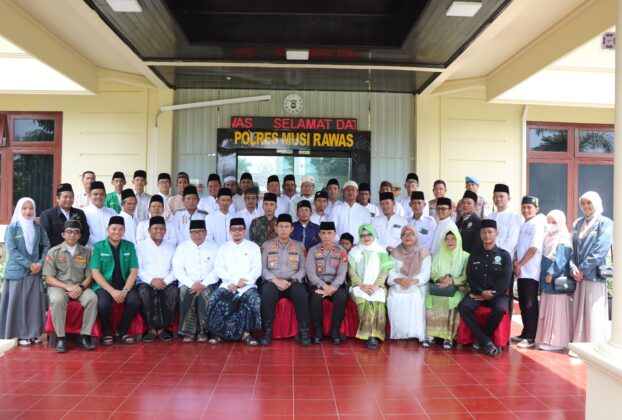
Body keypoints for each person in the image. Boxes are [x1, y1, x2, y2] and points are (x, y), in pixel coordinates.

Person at [457, 219, 512, 356]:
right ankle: (486, 341)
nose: (487, 235)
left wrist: (490, 294)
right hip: (478, 293)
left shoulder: (504, 256)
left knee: (500, 308)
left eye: (490, 232)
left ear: (496, 234)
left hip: (497, 295)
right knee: (463, 306)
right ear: (480, 234)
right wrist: (481, 292)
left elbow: (505, 279)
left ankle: (481, 339)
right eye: (483, 232)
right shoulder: (474, 255)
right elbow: (470, 277)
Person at [0, 198, 50, 346]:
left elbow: (47, 246)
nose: (28, 211)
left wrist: (40, 263)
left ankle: (32, 334)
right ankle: (20, 334)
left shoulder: (38, 228)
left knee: (32, 304)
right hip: (17, 271)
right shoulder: (12, 228)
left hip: (34, 271)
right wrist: (29, 265)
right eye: (24, 208)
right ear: (19, 210)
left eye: (31, 208)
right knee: (18, 304)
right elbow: (12, 250)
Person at [42, 220, 97, 352]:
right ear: (63, 234)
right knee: (57, 300)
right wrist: (68, 287)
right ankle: (61, 338)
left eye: (76, 232)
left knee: (92, 298)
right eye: (69, 232)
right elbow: (48, 278)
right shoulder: (53, 252)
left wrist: (80, 288)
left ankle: (84, 337)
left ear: (80, 235)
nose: (72, 235)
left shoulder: (87, 252)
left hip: (80, 287)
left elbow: (90, 275)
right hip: (59, 287)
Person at [207, 218, 263, 346]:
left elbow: (257, 270)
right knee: (215, 297)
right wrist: (234, 282)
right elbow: (219, 269)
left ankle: (247, 334)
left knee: (255, 299)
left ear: (244, 231)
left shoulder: (253, 247)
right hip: (228, 284)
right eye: (234, 229)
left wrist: (240, 284)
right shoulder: (223, 248)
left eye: (240, 229)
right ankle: (217, 334)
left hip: (247, 285)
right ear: (230, 231)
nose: (237, 232)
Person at [570, 191, 613, 347]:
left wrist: (582, 269)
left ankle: (594, 346)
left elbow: (600, 250)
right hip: (579, 277)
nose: (586, 206)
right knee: (578, 312)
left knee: (593, 313)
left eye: (589, 202)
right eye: (583, 203)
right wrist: (573, 269)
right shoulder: (577, 223)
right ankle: (579, 346)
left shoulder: (605, 223)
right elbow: (571, 248)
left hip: (594, 275)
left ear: (596, 203)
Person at [259, 214, 310, 346]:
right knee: (267, 295)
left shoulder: (299, 246)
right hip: (272, 281)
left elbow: (303, 268)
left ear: (292, 229)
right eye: (280, 226)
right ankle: (266, 333)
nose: (283, 229)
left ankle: (304, 332)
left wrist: (292, 280)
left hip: (292, 282)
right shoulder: (267, 245)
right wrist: (274, 280)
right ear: (275, 228)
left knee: (302, 295)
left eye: (286, 227)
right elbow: (262, 268)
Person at [90, 216, 140, 345]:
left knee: (135, 301)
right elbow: (95, 272)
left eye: (120, 229)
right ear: (107, 230)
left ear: (124, 231)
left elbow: (134, 270)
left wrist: (125, 290)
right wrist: (112, 291)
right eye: (114, 229)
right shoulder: (98, 247)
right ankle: (107, 332)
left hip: (124, 284)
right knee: (103, 304)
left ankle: (122, 331)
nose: (117, 232)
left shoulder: (129, 246)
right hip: (104, 286)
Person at [172, 219, 219, 343]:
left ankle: (203, 331)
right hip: (188, 282)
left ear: (206, 232)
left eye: (200, 231)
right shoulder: (182, 247)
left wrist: (203, 284)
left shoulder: (214, 247)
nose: (197, 235)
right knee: (186, 293)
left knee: (205, 294)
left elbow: (217, 268)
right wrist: (191, 284)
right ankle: (188, 332)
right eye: (193, 232)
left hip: (208, 282)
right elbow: (178, 269)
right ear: (189, 233)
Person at [349, 224, 393, 350]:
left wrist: (376, 285)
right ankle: (368, 335)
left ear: (374, 235)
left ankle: (375, 335)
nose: (366, 238)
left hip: (377, 286)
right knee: (363, 301)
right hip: (359, 286)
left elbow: (385, 271)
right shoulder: (354, 251)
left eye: (369, 234)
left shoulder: (381, 251)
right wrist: (361, 285)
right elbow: (351, 272)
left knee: (377, 301)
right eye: (363, 235)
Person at [423, 227, 469, 349]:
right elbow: (432, 273)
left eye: (453, 238)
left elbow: (465, 277)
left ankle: (448, 337)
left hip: (459, 287)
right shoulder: (438, 255)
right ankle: (431, 335)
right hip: (440, 284)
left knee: (453, 299)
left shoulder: (465, 256)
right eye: (447, 239)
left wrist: (452, 281)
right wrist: (440, 279)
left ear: (458, 240)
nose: (450, 241)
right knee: (430, 296)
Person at [136, 216, 178, 343]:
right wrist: (151, 281)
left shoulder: (171, 246)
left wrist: (166, 281)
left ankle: (163, 328)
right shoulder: (140, 246)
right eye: (155, 228)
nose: (159, 231)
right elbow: (138, 269)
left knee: (173, 292)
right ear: (149, 230)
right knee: (144, 292)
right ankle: (151, 328)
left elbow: (175, 268)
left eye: (162, 228)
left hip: (167, 281)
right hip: (146, 281)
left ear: (165, 231)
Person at [535, 210, 573, 352]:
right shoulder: (547, 236)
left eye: (554, 222)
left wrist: (552, 272)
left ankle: (557, 341)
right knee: (547, 308)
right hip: (546, 280)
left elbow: (561, 259)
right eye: (549, 221)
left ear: (561, 223)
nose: (550, 224)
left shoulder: (563, 238)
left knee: (556, 311)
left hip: (555, 280)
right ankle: (547, 339)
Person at [306, 221, 349, 344]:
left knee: (341, 298)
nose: (326, 236)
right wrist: (324, 286)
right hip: (318, 284)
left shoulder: (342, 251)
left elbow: (342, 274)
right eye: (323, 233)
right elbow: (310, 273)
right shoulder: (313, 251)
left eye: (329, 233)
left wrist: (332, 288)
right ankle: (318, 330)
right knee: (315, 298)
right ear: (319, 235)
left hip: (336, 285)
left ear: (335, 234)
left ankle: (335, 330)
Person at [386, 225, 431, 342]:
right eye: (404, 234)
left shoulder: (423, 252)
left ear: (416, 236)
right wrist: (400, 280)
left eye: (411, 234)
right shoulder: (395, 252)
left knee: (415, 295)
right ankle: (400, 332)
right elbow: (391, 270)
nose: (408, 237)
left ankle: (414, 332)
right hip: (399, 281)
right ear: (401, 237)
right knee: (393, 296)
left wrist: (413, 280)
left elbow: (426, 273)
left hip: (417, 283)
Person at [512, 195, 545, 349]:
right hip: (521, 270)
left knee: (530, 304)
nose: (526, 210)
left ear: (536, 209)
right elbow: (519, 246)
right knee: (523, 302)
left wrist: (520, 264)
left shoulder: (537, 224)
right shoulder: (523, 223)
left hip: (531, 270)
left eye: (529, 207)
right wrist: (516, 262)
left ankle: (531, 336)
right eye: (524, 207)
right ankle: (525, 332)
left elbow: (533, 248)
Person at [40, 183, 90, 247]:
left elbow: (85, 233)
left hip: (77, 250)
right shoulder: (47, 215)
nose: (68, 199)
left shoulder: (80, 213)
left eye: (71, 197)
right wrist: (63, 248)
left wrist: (75, 247)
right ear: (57, 198)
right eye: (65, 197)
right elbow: (46, 236)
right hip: (56, 251)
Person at [489, 183, 521, 257]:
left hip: (504, 256)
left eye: (501, 196)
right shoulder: (490, 216)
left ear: (509, 198)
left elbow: (512, 240)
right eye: (495, 196)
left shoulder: (514, 216)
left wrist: (498, 253)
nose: (498, 199)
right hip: (489, 255)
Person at [83, 181, 117, 247]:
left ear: (105, 195)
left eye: (101, 194)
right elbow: (85, 233)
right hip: (91, 249)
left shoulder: (112, 212)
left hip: (110, 248)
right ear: (90, 195)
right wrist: (102, 245)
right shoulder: (84, 212)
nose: (98, 196)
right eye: (95, 194)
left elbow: (116, 230)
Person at [456, 190, 482, 254]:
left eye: (469, 203)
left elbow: (477, 245)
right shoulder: (459, 222)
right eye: (463, 202)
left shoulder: (479, 222)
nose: (465, 205)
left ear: (475, 205)